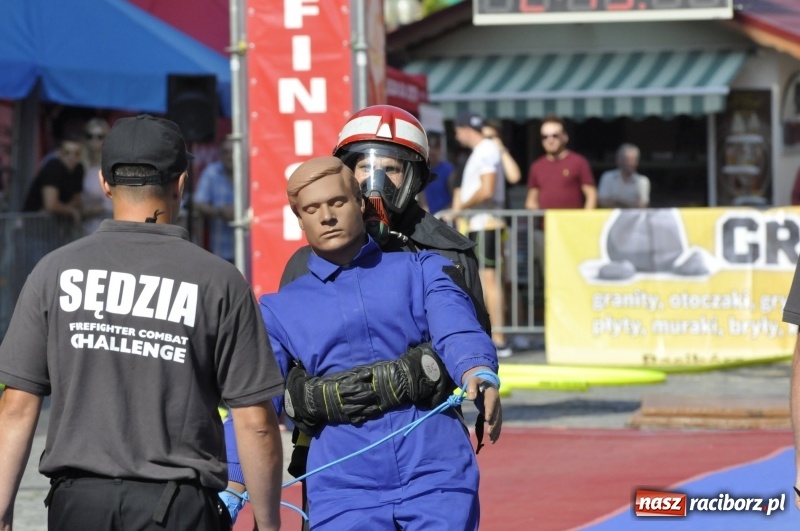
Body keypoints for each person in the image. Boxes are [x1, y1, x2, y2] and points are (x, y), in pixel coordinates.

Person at [0, 114, 284, 531]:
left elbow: (15, 408)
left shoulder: (53, 271)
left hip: (78, 506)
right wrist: (269, 523)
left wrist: (3, 513)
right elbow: (256, 423)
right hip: (179, 508)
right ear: (181, 183)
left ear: (103, 183)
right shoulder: (219, 280)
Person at [221, 104, 492, 525]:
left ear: (416, 176)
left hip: (427, 455)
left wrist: (439, 371)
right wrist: (306, 397)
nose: (375, 181)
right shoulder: (300, 270)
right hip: (342, 465)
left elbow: (465, 336)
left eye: (392, 168)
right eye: (364, 166)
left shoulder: (441, 256)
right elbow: (269, 377)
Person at [269, 156, 502, 529]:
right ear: (300, 220)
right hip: (340, 485)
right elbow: (255, 403)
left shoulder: (425, 268)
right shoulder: (277, 309)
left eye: (338, 202)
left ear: (360, 204)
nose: (326, 216)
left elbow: (457, 326)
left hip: (435, 471)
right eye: (312, 209)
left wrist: (478, 368)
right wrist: (233, 480)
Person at [452, 111, 512, 357]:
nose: (456, 137)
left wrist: (462, 207)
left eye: (456, 132)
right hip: (482, 222)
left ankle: (498, 337)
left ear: (465, 129)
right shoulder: (484, 150)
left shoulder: (485, 149)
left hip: (485, 222)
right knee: (488, 280)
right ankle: (497, 335)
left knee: (489, 281)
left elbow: (487, 189)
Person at [525, 115, 597, 288]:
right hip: (546, 232)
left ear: (565, 137)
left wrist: (583, 221)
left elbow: (591, 195)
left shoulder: (578, 162)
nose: (550, 140)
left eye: (555, 135)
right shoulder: (537, 166)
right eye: (545, 136)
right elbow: (531, 200)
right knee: (550, 279)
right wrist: (534, 211)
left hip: (572, 232)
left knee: (574, 276)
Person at [194, 138, 235, 262]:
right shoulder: (212, 172)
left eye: (232, 152)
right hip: (219, 249)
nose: (229, 156)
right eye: (225, 152)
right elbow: (197, 203)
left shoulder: (251, 171)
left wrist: (239, 211)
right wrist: (218, 211)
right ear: (220, 154)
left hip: (249, 248)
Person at [80, 117, 113, 235]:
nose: (94, 140)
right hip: (85, 229)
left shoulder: (111, 165)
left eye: (100, 136)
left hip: (108, 229)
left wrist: (100, 208)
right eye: (90, 136)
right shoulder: (80, 164)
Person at [597, 143, 650, 209]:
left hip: (634, 218)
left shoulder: (643, 181)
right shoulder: (607, 177)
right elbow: (603, 202)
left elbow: (643, 205)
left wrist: (616, 201)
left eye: (633, 160)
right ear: (619, 160)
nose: (630, 163)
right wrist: (631, 204)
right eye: (627, 159)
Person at [417, 132, 453, 215]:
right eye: (429, 147)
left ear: (440, 149)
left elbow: (455, 198)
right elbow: (422, 198)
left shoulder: (449, 170)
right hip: (428, 218)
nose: (432, 151)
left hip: (445, 219)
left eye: (436, 147)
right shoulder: (421, 170)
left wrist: (445, 213)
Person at [482, 118, 521, 187]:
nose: (486, 142)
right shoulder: (473, 155)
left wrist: (501, 149)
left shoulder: (501, 154)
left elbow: (514, 177)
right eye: (483, 138)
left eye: (490, 138)